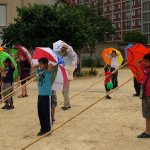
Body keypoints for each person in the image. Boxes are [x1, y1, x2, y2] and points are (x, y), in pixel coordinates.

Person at [54, 43, 77, 110]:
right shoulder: (62, 57)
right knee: (63, 90)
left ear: (66, 50)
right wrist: (61, 49)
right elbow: (56, 52)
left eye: (63, 51)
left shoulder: (69, 56)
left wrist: (65, 46)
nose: (62, 52)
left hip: (68, 75)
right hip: (63, 75)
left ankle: (66, 105)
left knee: (65, 90)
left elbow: (70, 50)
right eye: (61, 51)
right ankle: (67, 104)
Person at [33, 57, 53, 136]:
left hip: (47, 95)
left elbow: (51, 65)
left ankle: (48, 129)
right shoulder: (39, 71)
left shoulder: (48, 72)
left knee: (46, 113)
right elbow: (33, 67)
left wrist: (46, 64)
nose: (40, 65)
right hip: (40, 95)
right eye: (39, 64)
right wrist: (39, 64)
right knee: (40, 112)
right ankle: (43, 128)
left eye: (41, 64)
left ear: (45, 64)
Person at [137, 53, 150, 138]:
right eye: (144, 61)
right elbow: (138, 62)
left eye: (146, 61)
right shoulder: (145, 68)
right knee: (147, 114)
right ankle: (148, 131)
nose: (144, 63)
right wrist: (143, 57)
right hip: (146, 94)